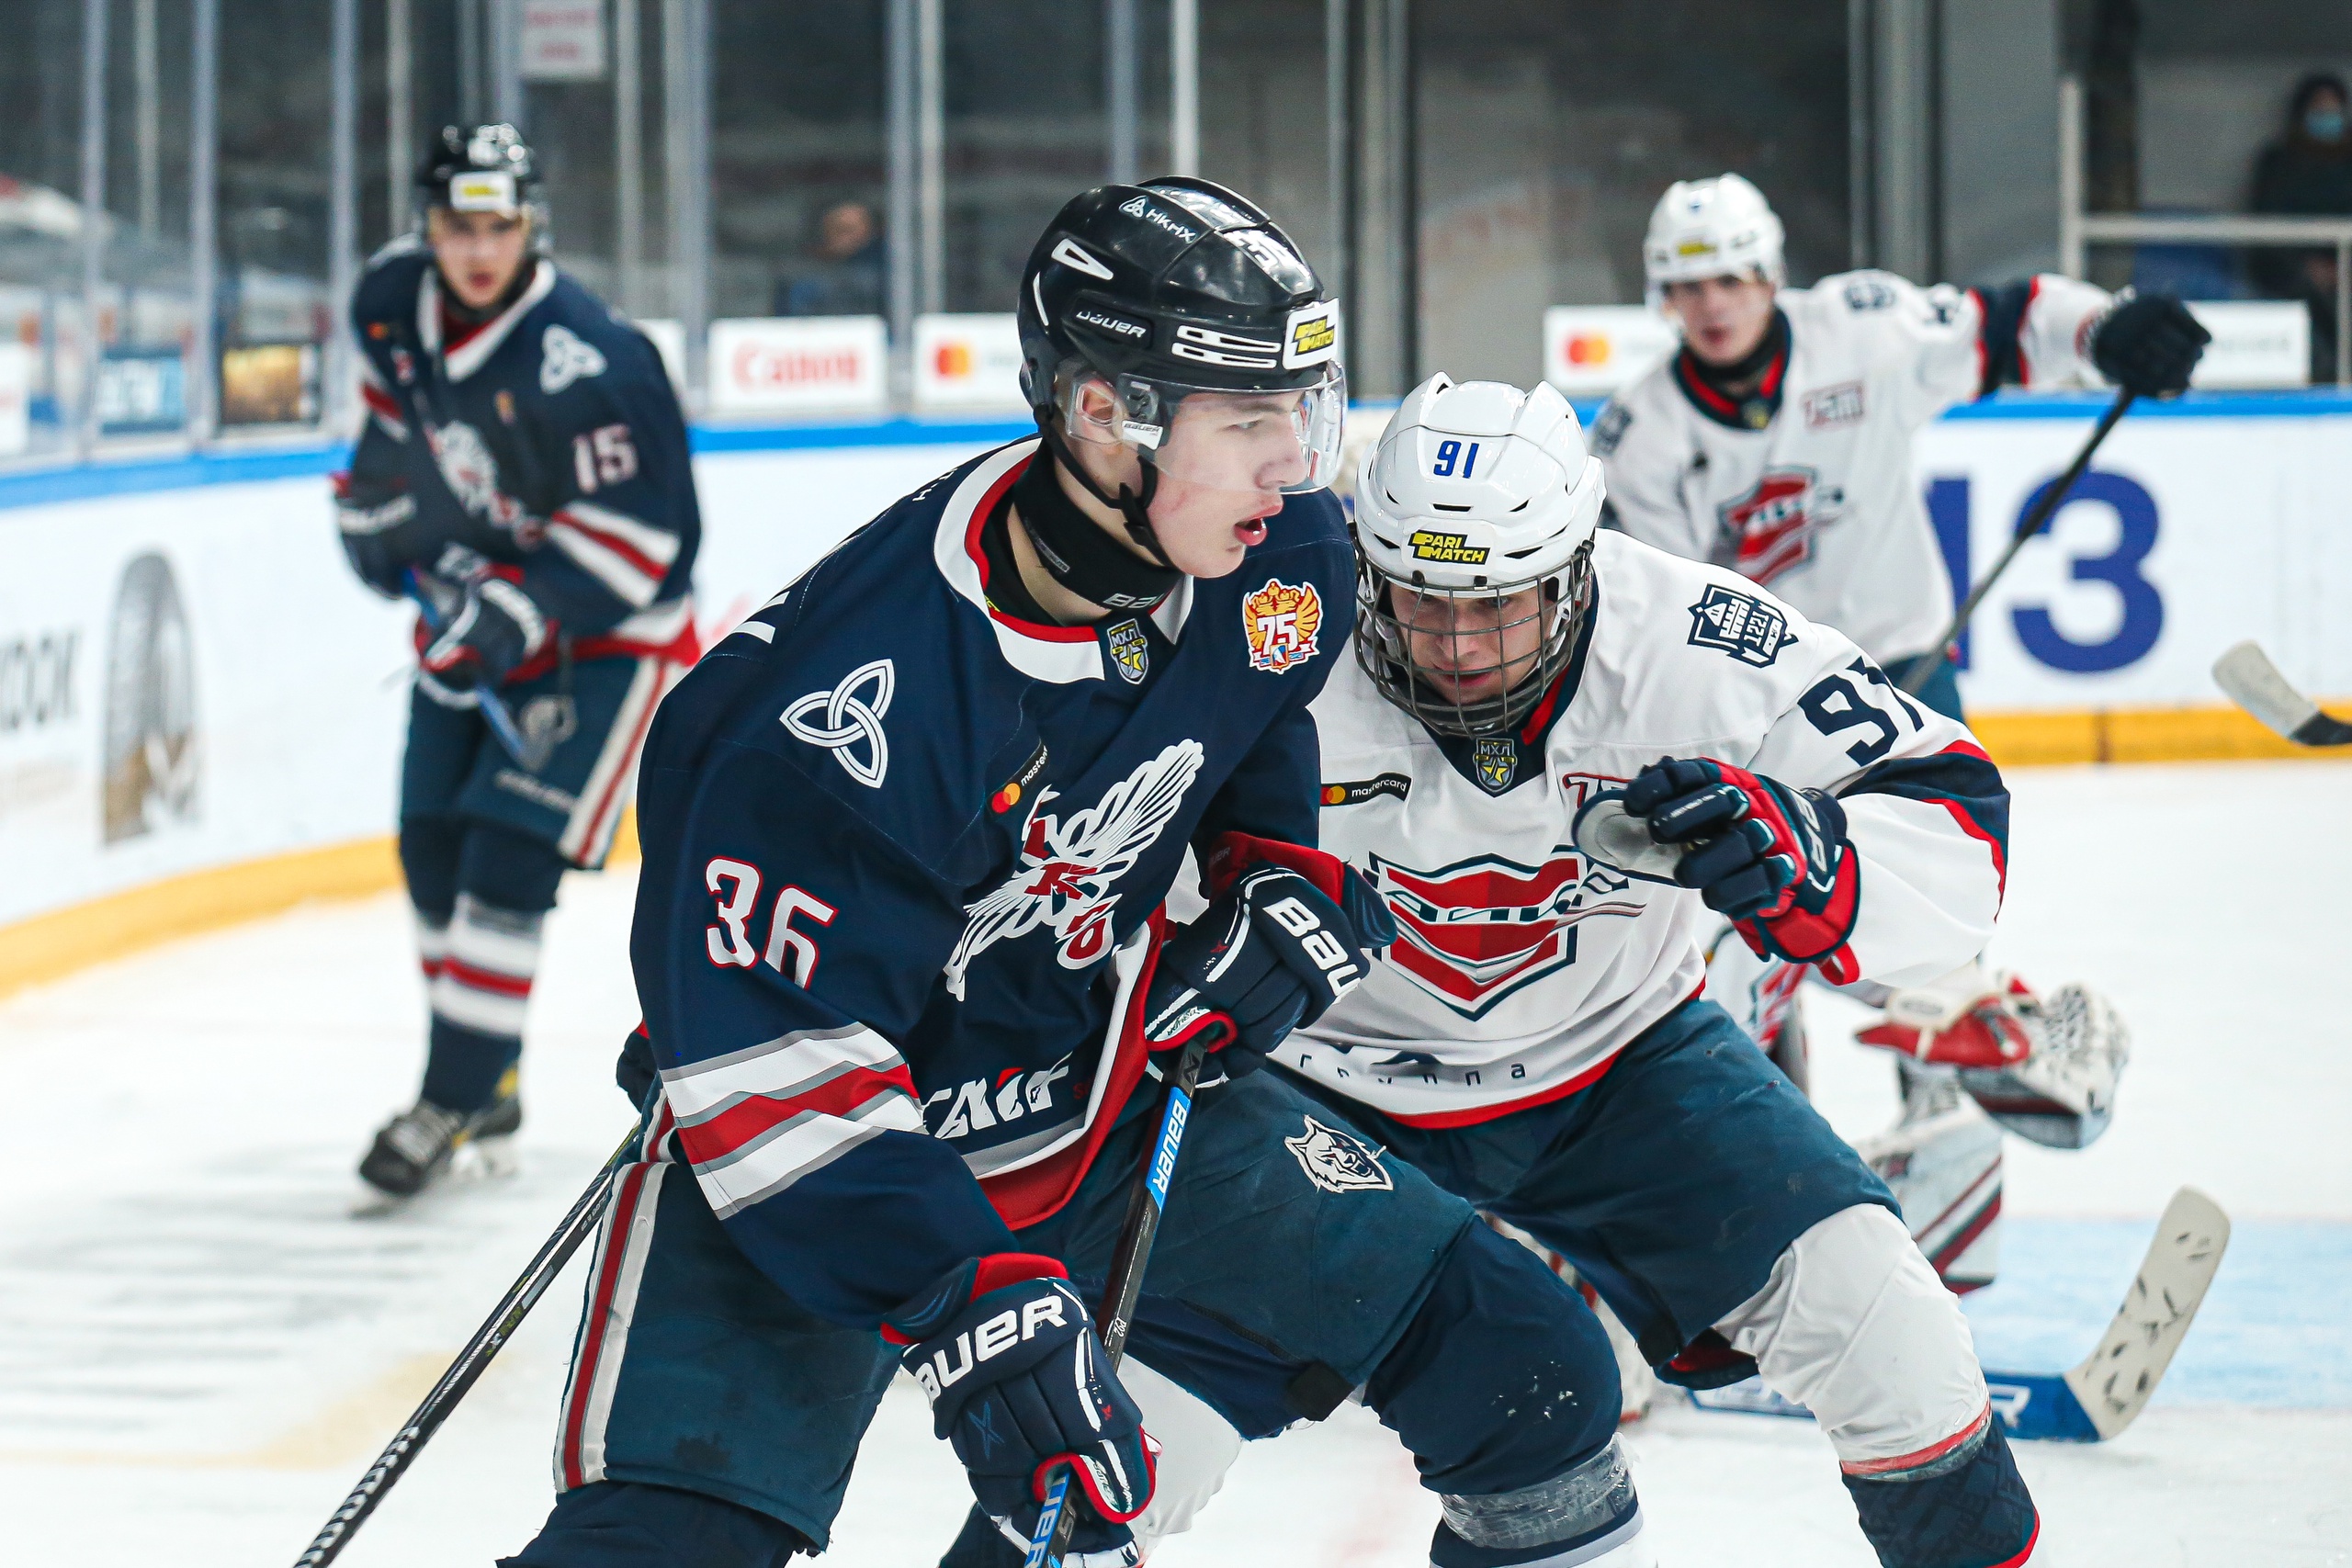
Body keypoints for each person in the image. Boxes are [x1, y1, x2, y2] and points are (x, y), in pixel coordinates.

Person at [506, 179, 1650, 1568]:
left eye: (1301, 408)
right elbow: (771, 1074)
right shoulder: (814, 723)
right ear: (1106, 412)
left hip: (1092, 1090)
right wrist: (966, 1297)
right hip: (830, 1159)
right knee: (670, 1541)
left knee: (1518, 1360)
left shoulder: (1269, 549)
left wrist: (1273, 870)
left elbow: (1257, 711)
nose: (1294, 462)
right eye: (1249, 421)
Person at [944, 373, 2040, 1568]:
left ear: (1578, 566)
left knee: (1895, 1335)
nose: (1458, 646)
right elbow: (1049, 848)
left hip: (1617, 1063)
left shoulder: (1694, 641)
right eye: (1417, 599)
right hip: (1305, 1084)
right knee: (1116, 1455)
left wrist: (1816, 856)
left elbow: (1956, 824)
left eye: (1499, 604)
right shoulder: (1266, 629)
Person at [1594, 173, 2208, 1290]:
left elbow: (2009, 322)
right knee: (1749, 938)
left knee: (1919, 934)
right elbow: (1648, 612)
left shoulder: (1860, 331)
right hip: (1757, 707)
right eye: (1687, 286)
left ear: (1769, 273)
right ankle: (1761, 1205)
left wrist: (2108, 332)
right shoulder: (1641, 434)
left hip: (1898, 684)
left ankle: (1952, 1215)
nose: (1712, 303)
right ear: (1661, 298)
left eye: (1730, 277)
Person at [335, 124, 701, 1199]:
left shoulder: (592, 357)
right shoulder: (390, 303)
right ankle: (485, 1078)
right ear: (428, 228)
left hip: (604, 642)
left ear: (530, 225)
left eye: (497, 227)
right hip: (471, 623)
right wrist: (375, 510)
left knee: (507, 859)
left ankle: (446, 1100)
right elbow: (390, 431)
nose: (478, 249)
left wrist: (517, 612)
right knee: (429, 851)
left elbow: (649, 541)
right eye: (458, 228)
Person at [2251, 73, 2352, 382]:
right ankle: (2327, 374)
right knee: (2309, 298)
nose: (2327, 116)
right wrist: (2306, 265)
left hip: (2346, 267)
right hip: (2291, 271)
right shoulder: (2279, 163)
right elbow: (2265, 225)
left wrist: (2343, 266)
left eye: (2334, 109)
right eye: (2319, 109)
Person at [775, 197, 887, 317]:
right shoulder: (796, 276)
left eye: (853, 229)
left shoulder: (886, 274)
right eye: (840, 229)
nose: (849, 237)